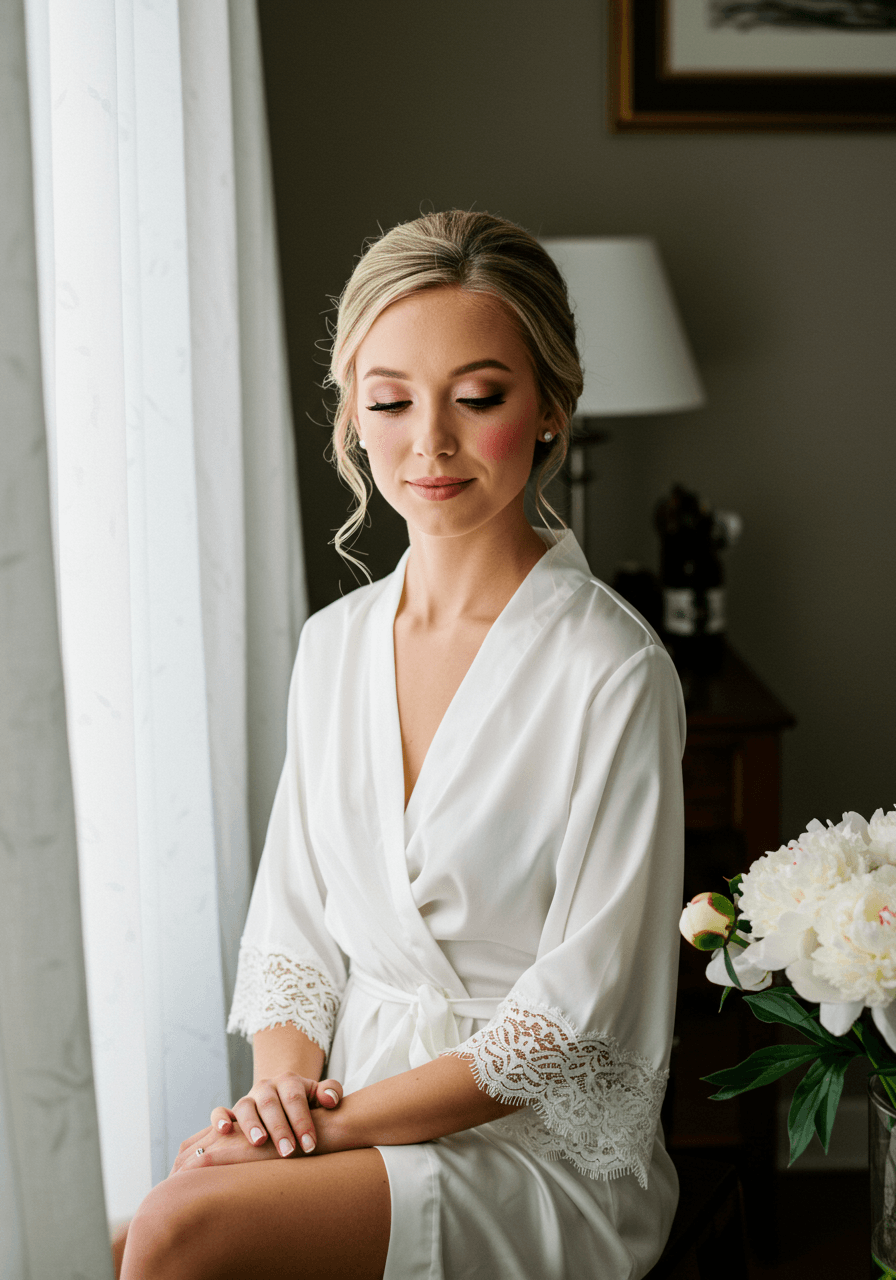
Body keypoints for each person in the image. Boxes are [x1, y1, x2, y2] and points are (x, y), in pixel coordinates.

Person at [117, 209, 685, 1280]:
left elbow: (570, 1017)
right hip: (349, 1101)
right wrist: (284, 1097)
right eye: (389, 400)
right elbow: (290, 936)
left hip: (528, 1147)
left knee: (176, 1229)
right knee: (117, 1229)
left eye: (477, 399)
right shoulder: (332, 647)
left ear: (551, 405)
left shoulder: (612, 671)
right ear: (351, 415)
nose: (428, 441)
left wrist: (324, 1131)